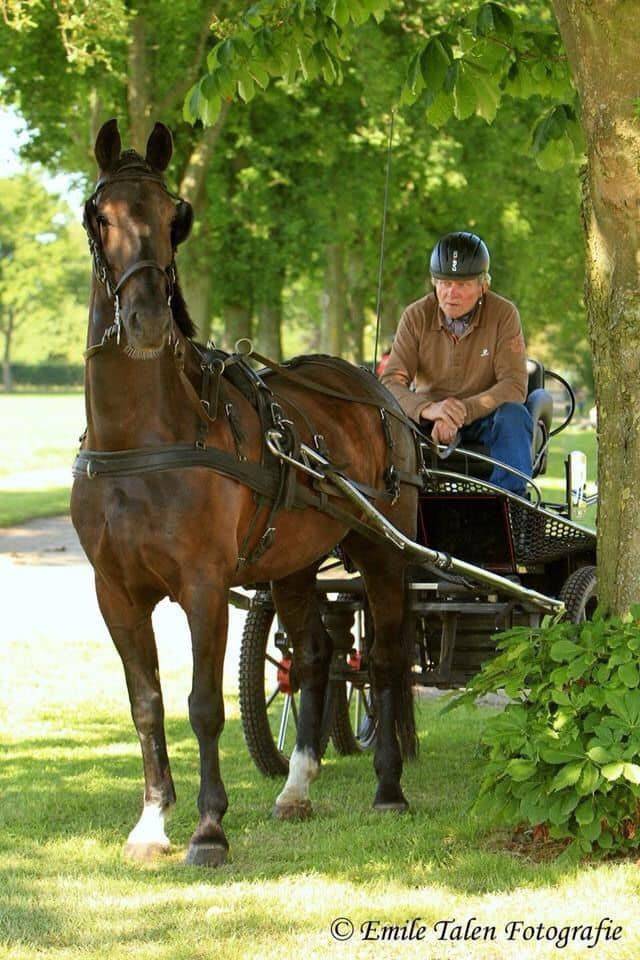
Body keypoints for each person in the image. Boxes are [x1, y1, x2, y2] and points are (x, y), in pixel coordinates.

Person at [381, 231, 532, 495]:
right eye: (444, 282)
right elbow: (391, 381)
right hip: (427, 418)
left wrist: (459, 412)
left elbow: (514, 386)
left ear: (483, 285)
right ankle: (395, 505)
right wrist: (430, 409)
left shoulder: (504, 314)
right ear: (433, 282)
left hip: (485, 417)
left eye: (463, 285)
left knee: (514, 416)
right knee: (382, 419)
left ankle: (508, 508)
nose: (452, 293)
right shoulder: (415, 315)